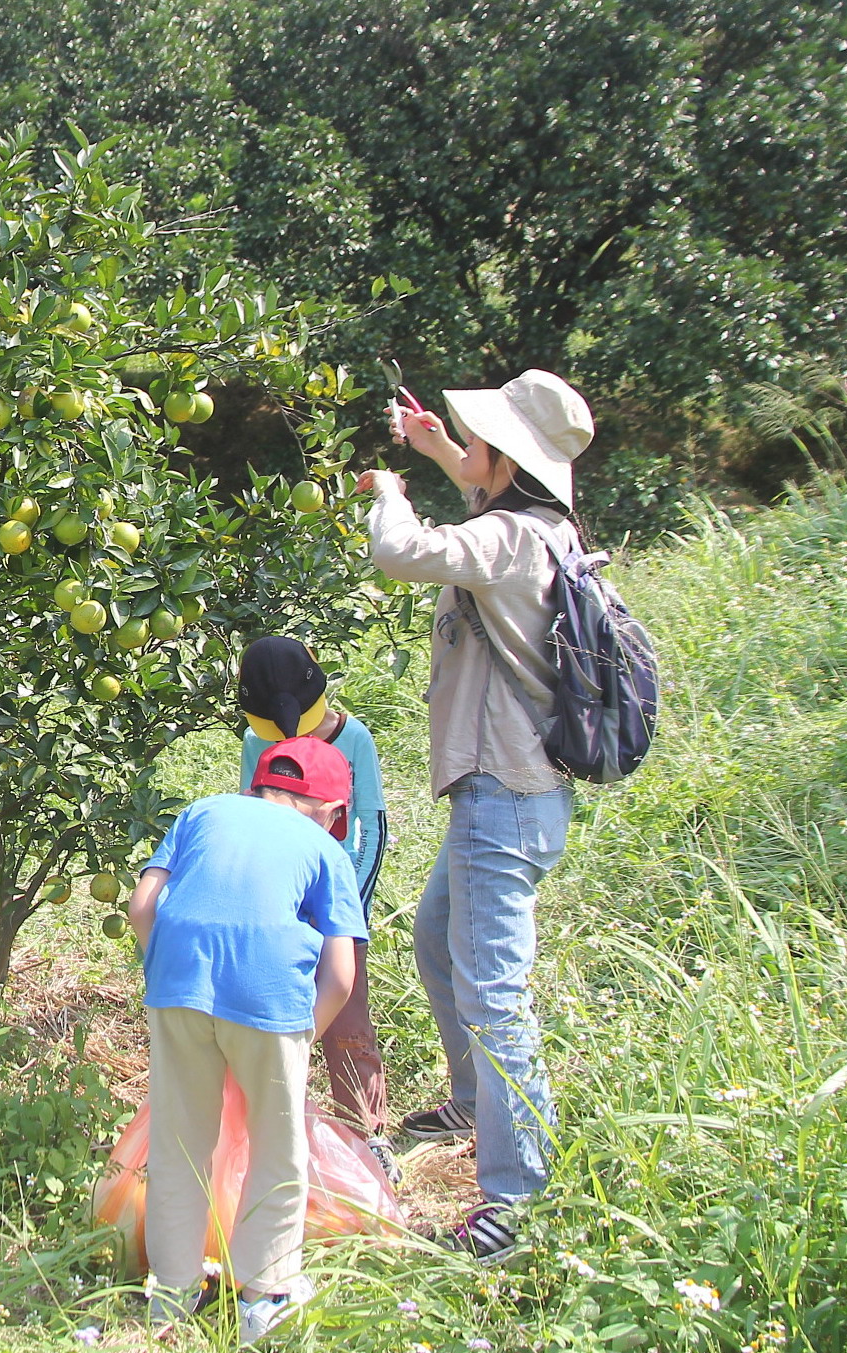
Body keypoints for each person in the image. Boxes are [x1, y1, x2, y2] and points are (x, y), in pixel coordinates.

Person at [359, 367, 594, 1261]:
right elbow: (488, 495)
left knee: (496, 995)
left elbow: (404, 553)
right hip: (510, 794)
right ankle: (470, 1099)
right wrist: (440, 449)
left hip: (504, 796)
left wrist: (388, 490)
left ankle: (512, 1200)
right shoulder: (544, 527)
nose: (472, 451)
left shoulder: (506, 540)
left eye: (480, 441)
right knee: (434, 935)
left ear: (508, 459)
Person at [129, 738, 365, 1342]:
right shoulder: (325, 849)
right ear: (335, 812)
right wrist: (300, 1035)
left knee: (180, 1142)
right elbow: (340, 974)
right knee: (276, 1147)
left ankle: (172, 1296)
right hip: (270, 1001)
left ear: (253, 790)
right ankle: (266, 1292)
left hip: (178, 983)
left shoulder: (203, 811)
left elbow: (141, 907)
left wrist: (167, 974)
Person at [235, 636, 395, 1178]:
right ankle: (276, 1131)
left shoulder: (355, 740)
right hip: (280, 908)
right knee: (272, 1017)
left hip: (336, 903)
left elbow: (371, 828)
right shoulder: (255, 747)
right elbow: (252, 820)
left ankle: (366, 1133)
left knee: (346, 1017)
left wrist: (347, 910)